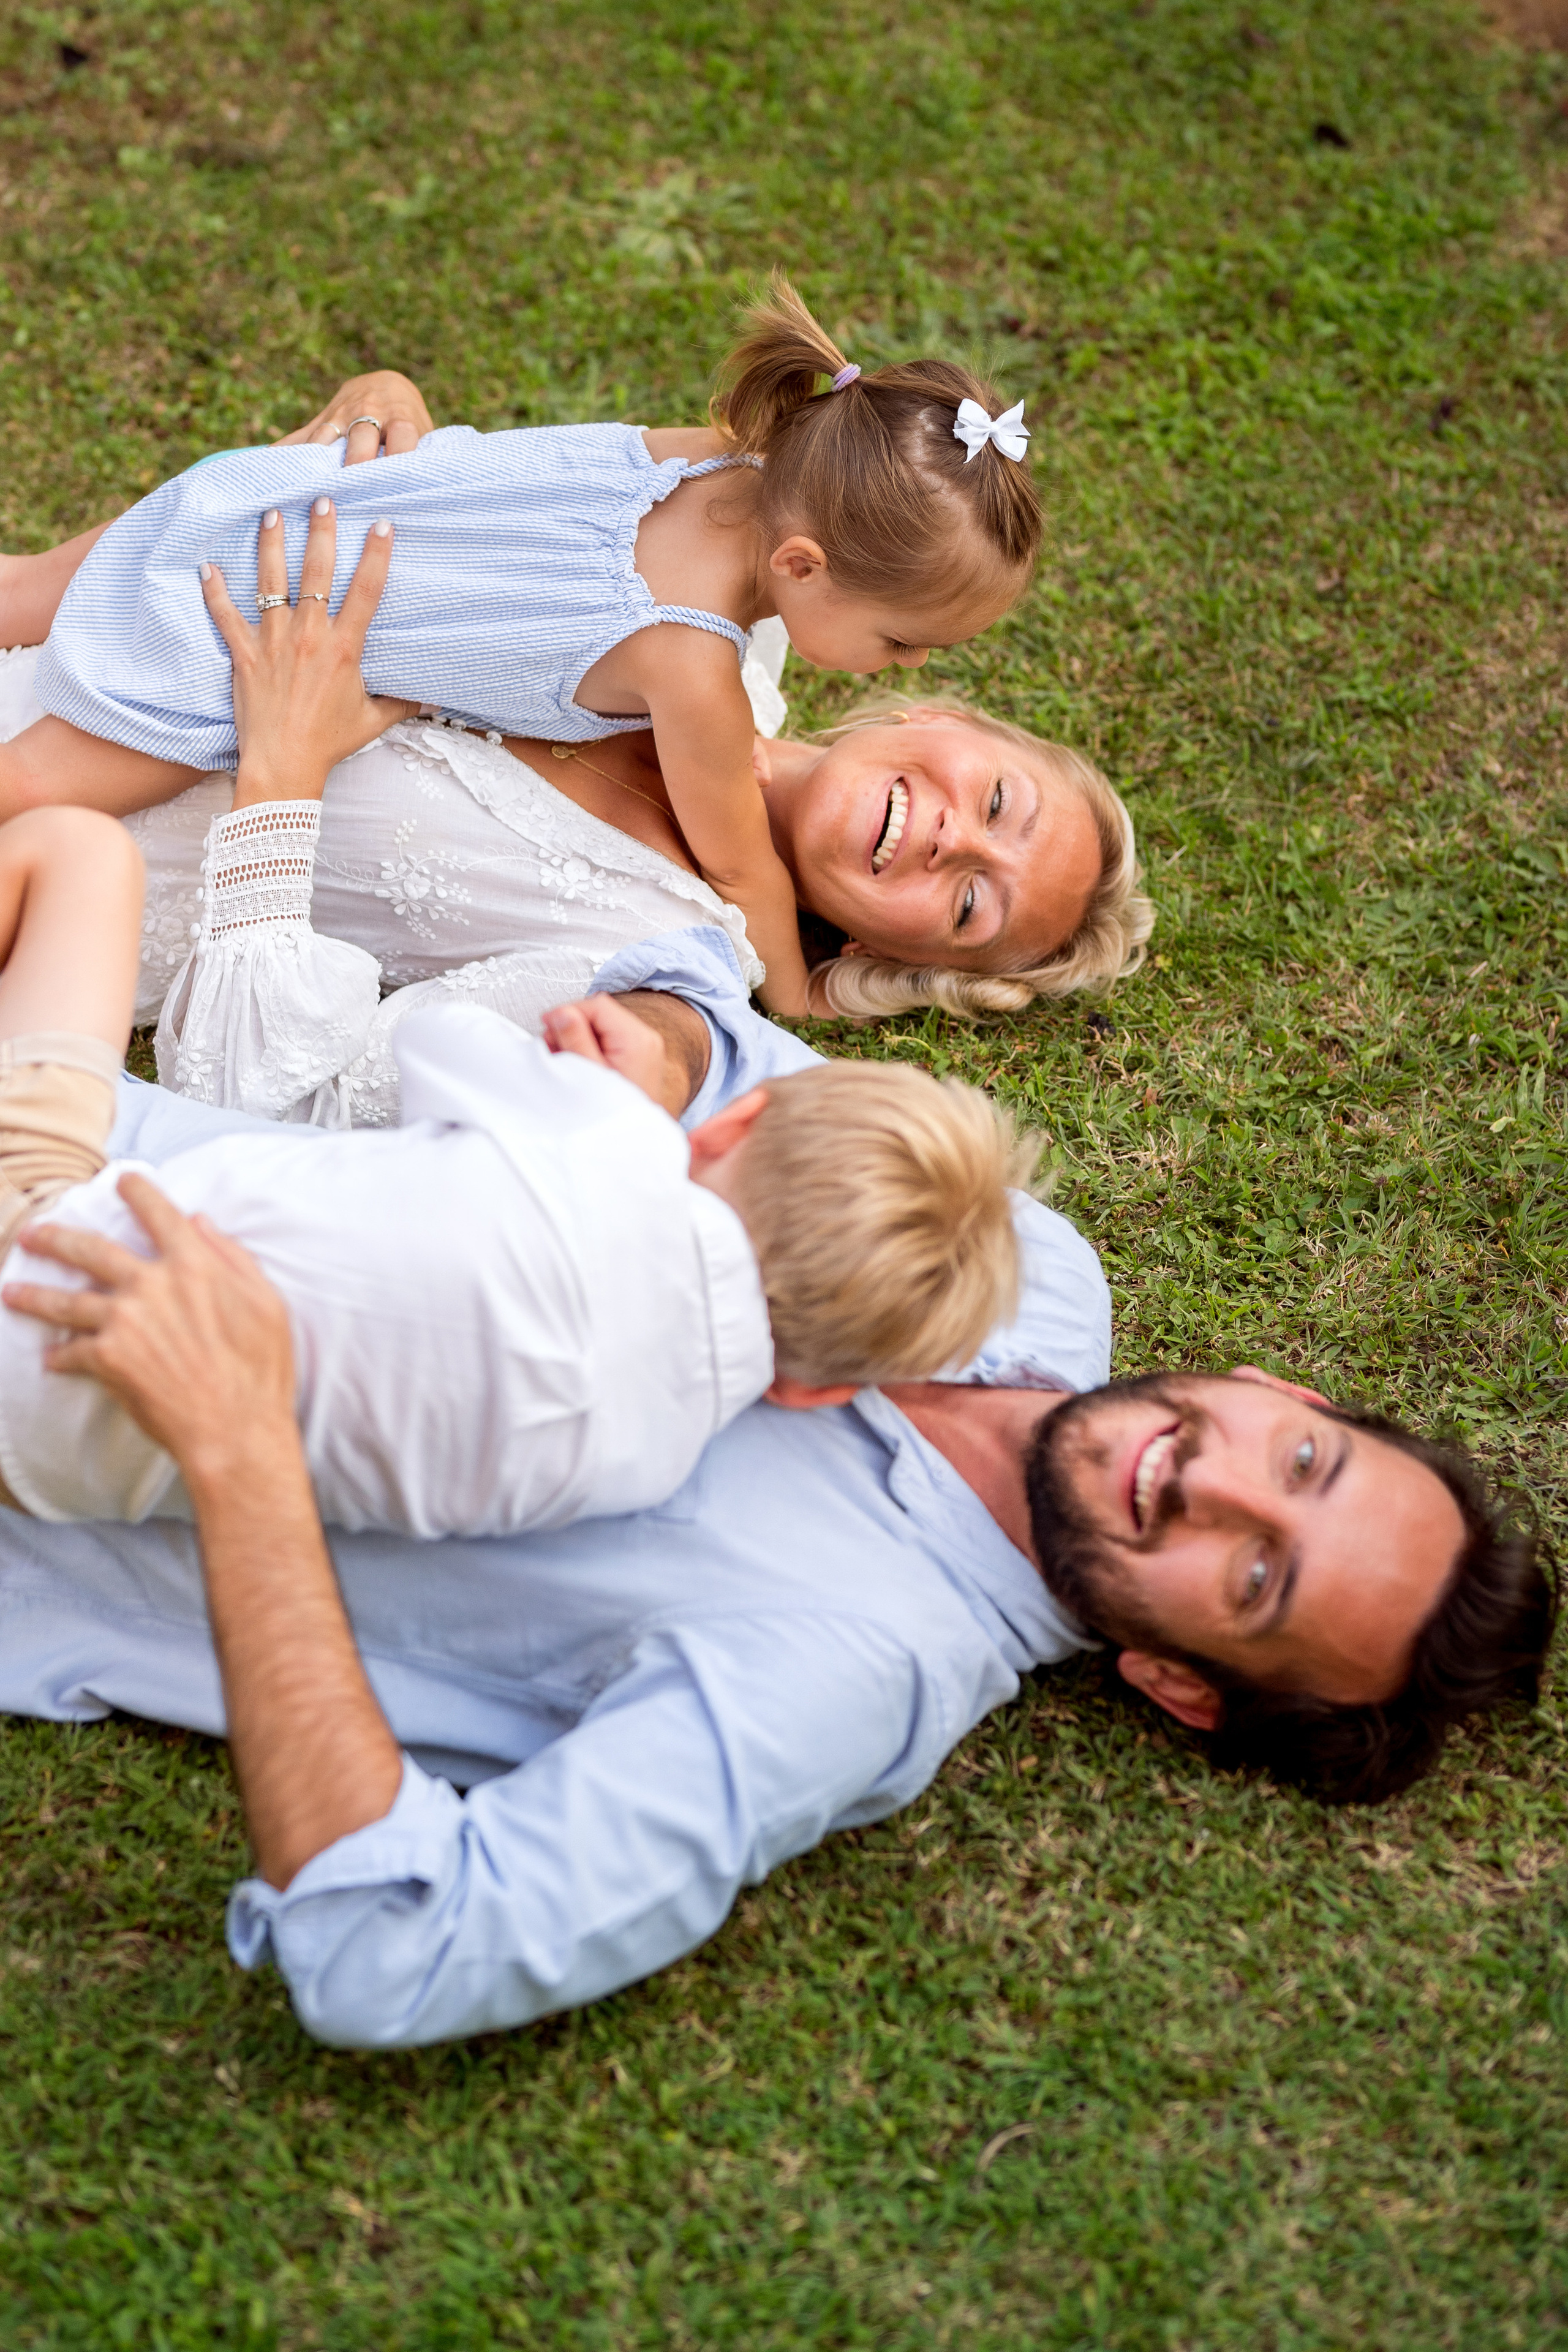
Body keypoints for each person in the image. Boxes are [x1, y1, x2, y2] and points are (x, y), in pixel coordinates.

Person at [0, 1048, 1548, 2048]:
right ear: (1285, 1393)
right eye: (1301, 1463)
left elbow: (401, 1952)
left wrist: (243, 1451)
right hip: (69, 1126)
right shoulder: (1030, 1263)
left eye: (1256, 1577)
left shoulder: (845, 1673)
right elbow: (731, 1062)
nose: (1212, 1486)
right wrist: (649, 1053)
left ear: (1181, 1682)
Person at [0, 773, 1025, 1534]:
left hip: (39, 1246)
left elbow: (439, 1048)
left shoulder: (610, 1141)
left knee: (83, 854)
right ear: (813, 1391)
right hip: (48, 1475)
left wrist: (583, 1079)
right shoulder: (642, 1470)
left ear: (727, 1126)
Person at [2, 274, 1050, 1017]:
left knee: (21, 593)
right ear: (803, 565)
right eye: (901, 639)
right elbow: (741, 866)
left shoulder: (713, 459)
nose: (909, 665)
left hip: (283, 495)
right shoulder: (689, 665)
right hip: (243, 640)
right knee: (33, 784)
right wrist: (795, 991)